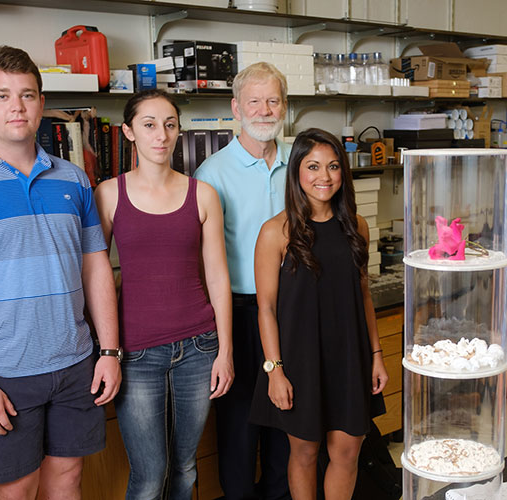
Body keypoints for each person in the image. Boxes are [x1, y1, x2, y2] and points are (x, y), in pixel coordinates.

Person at [0, 45, 121, 499]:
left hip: (74, 362)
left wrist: (108, 350)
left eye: (27, 95)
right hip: (1, 371)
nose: (17, 106)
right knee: (16, 490)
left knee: (67, 479)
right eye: (2, 95)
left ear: (41, 104)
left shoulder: (73, 178)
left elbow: (95, 268)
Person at [94, 90, 234, 500]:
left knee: (185, 468)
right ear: (129, 132)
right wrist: (106, 351)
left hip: (198, 346)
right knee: (150, 474)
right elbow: (95, 275)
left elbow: (218, 277)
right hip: (135, 353)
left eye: (170, 125)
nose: (161, 135)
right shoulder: (108, 194)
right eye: (149, 125)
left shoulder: (203, 194)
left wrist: (225, 351)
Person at [249, 128, 388, 500]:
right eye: (312, 167)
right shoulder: (275, 232)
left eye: (332, 166)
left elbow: (363, 295)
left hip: (349, 357)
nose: (323, 177)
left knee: (347, 451)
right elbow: (265, 309)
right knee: (305, 452)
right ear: (297, 172)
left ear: (343, 172)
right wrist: (274, 370)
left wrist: (376, 356)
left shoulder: (356, 227)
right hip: (300, 360)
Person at [193, 61, 292, 500]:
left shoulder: (302, 166)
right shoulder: (211, 174)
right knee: (238, 427)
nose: (264, 110)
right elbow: (200, 259)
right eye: (254, 101)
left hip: (292, 310)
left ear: (285, 107)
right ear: (236, 107)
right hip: (237, 311)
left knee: (287, 421)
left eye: (273, 100)